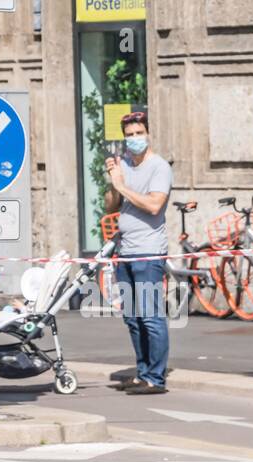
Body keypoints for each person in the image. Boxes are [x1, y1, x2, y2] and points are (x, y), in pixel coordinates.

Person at [104, 110, 172, 395]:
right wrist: (113, 181)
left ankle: (156, 378)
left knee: (150, 316)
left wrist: (122, 185)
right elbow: (111, 205)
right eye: (129, 135)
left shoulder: (159, 167)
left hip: (148, 252)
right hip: (126, 251)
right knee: (132, 317)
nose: (134, 139)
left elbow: (154, 205)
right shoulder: (125, 167)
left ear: (148, 134)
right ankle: (142, 372)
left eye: (138, 133)